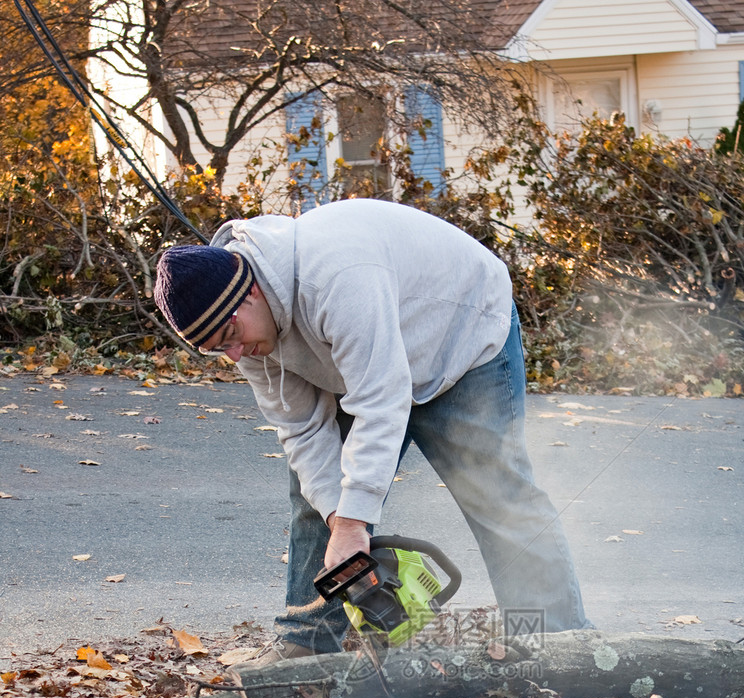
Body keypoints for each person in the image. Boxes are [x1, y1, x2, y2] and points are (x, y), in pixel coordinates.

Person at [154, 199, 591, 664]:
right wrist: (337, 520)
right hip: (373, 362)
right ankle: (308, 641)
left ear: (250, 293)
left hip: (462, 334)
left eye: (231, 336)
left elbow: (381, 401)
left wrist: (353, 523)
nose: (235, 354)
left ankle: (556, 646)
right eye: (217, 349)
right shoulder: (247, 338)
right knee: (315, 500)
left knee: (500, 498)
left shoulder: (336, 277)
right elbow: (301, 431)